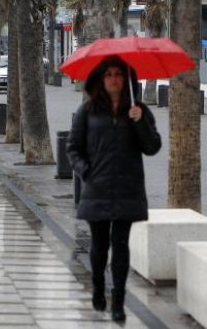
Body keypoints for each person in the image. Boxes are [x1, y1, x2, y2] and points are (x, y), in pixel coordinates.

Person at [66, 55, 161, 323]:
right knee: (99, 246)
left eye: (119, 74)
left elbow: (152, 147)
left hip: (127, 189)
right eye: (108, 75)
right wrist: (86, 172)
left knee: (120, 246)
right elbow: (73, 147)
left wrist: (140, 121)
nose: (114, 79)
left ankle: (118, 300)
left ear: (127, 78)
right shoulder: (89, 111)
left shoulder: (138, 109)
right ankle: (98, 284)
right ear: (100, 79)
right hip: (97, 189)